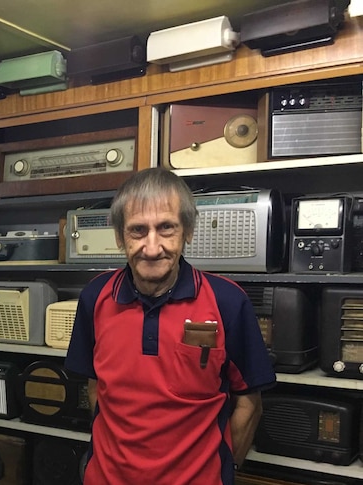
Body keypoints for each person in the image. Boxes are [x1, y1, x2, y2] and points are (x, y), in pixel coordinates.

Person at [64, 168, 276, 484]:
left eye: (166, 228)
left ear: (187, 232)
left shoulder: (228, 302)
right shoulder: (95, 297)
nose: (152, 247)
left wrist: (225, 468)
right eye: (137, 231)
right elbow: (97, 387)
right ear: (120, 237)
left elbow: (249, 404)